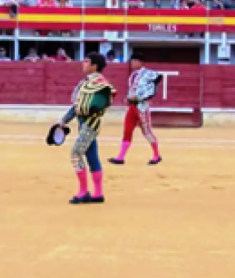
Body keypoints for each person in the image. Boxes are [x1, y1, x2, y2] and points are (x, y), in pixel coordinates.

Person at [56, 52, 116, 205]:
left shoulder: (100, 83)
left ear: (94, 66)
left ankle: (83, 192)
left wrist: (91, 109)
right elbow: (77, 105)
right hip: (84, 123)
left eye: (86, 61)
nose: (83, 64)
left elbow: (101, 102)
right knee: (91, 156)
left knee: (75, 153)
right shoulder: (86, 82)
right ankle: (98, 193)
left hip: (90, 124)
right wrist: (64, 120)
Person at [109, 53, 162, 166]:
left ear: (140, 62)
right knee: (127, 130)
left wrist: (146, 95)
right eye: (131, 61)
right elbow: (133, 89)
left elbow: (158, 78)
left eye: (134, 61)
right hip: (132, 106)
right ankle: (121, 157)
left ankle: (157, 155)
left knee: (147, 132)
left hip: (142, 106)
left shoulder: (147, 73)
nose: (132, 63)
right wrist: (128, 98)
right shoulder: (133, 74)